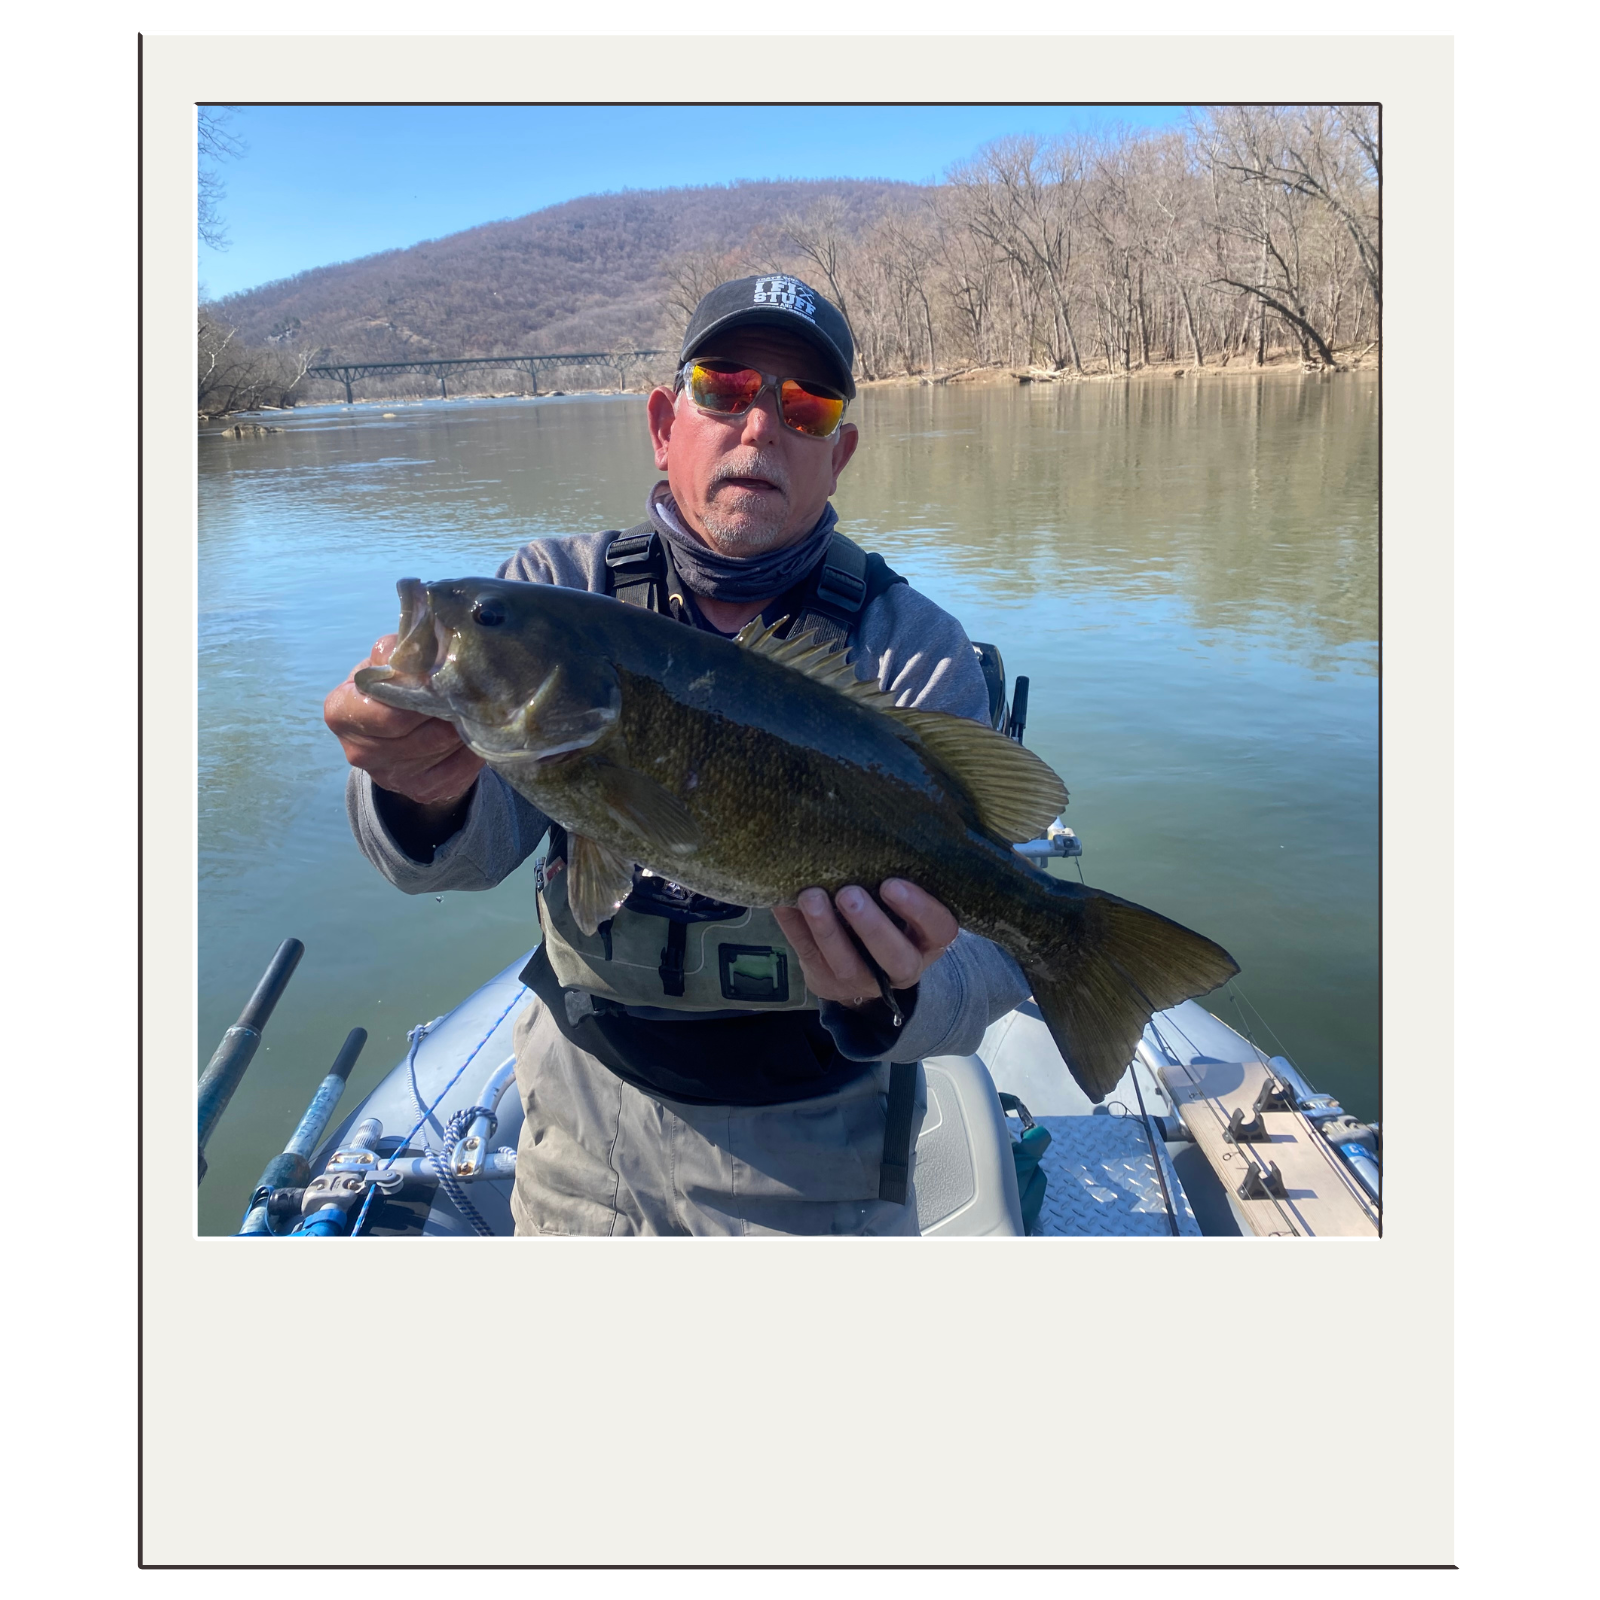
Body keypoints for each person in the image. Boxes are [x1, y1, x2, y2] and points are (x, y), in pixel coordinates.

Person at [324, 274, 1030, 1236]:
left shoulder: (909, 646)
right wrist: (412, 790)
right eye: (726, 389)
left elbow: (990, 961)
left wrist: (895, 997)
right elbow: (471, 856)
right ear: (665, 423)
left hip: (816, 1149)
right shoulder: (555, 589)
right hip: (573, 1123)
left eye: (806, 406)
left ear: (840, 454)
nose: (761, 427)